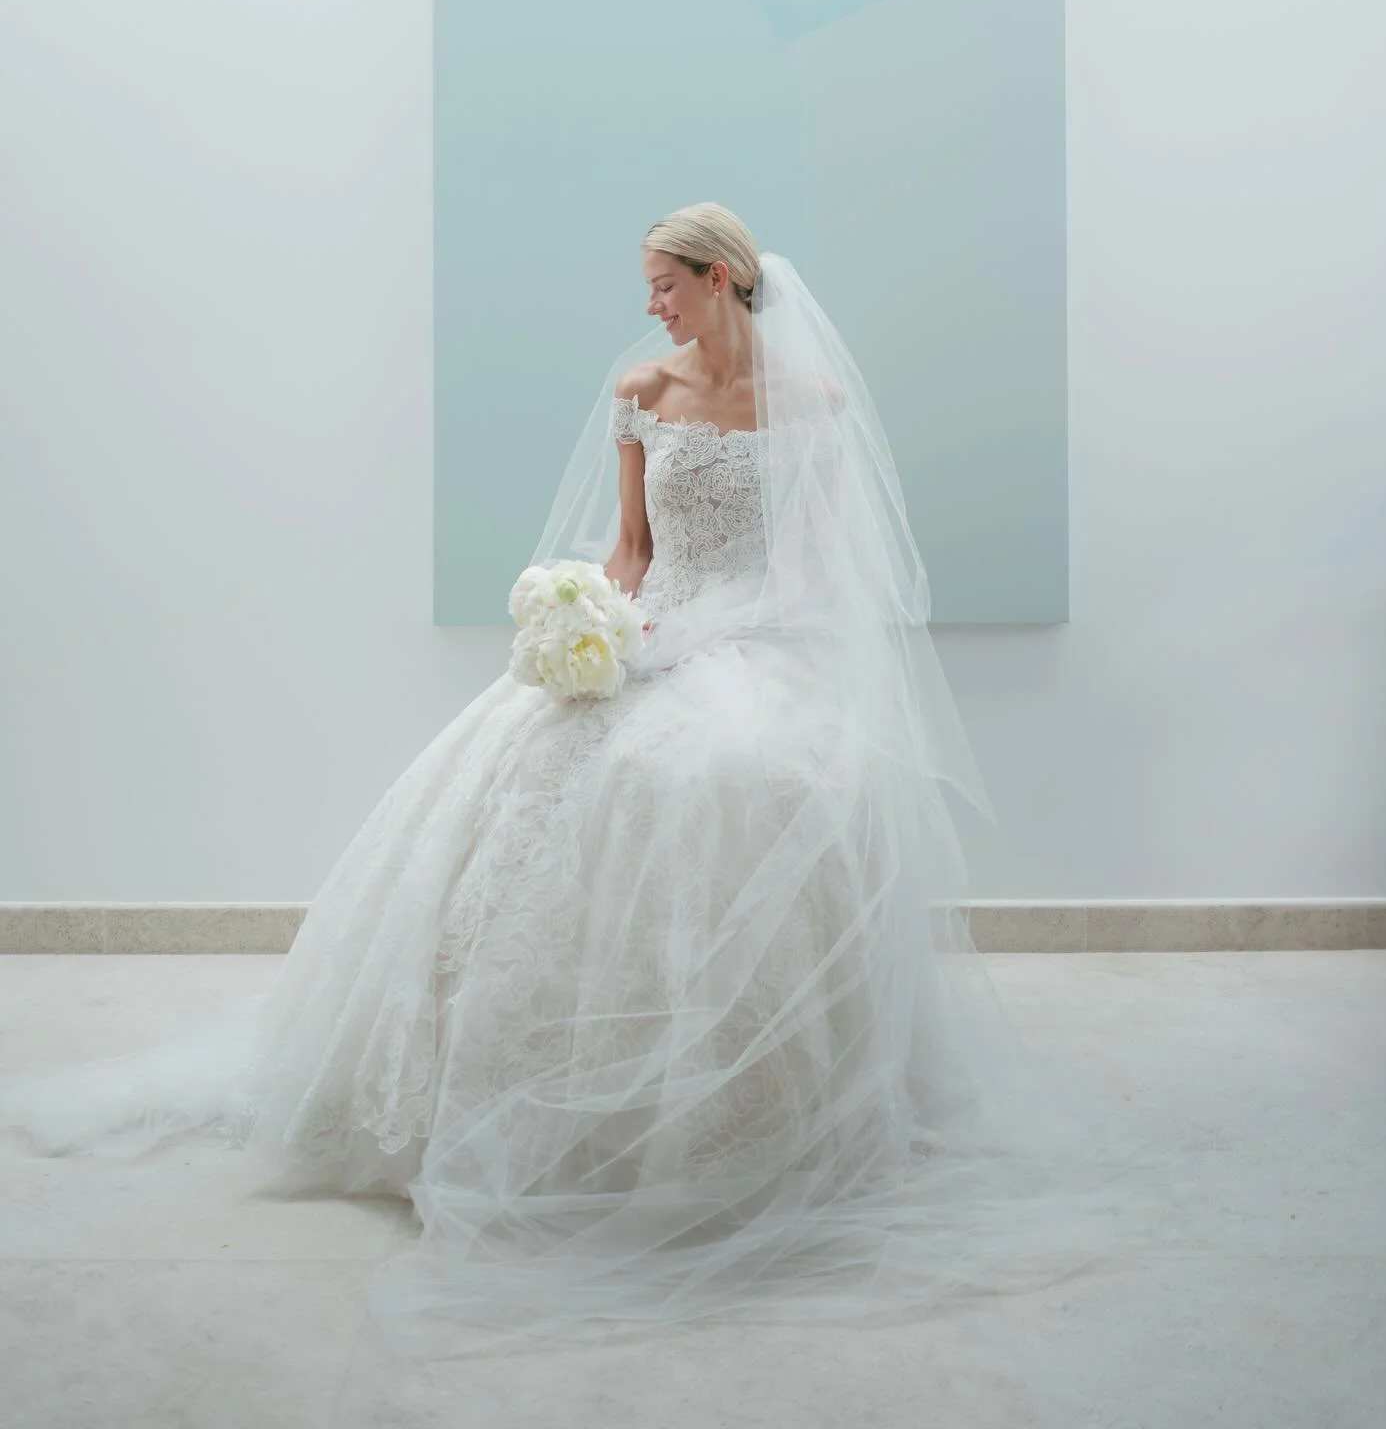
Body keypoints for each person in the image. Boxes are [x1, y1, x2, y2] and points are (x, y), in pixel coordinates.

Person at [0, 202, 1186, 1357]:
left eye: (666, 286)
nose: (652, 307)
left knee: (729, 776)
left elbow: (817, 570)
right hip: (654, 628)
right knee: (539, 769)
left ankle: (744, 1121)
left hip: (759, 641)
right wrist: (594, 624)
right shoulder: (642, 393)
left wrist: (718, 635)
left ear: (719, 278)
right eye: (647, 290)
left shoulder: (812, 405)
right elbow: (633, 549)